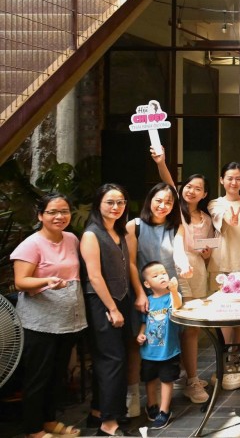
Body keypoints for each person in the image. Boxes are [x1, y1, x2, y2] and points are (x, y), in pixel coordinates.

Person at [11, 193, 87, 438]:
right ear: (40, 216)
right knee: (38, 377)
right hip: (39, 323)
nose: (59, 216)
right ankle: (33, 429)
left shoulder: (72, 238)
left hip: (67, 321)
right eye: (52, 212)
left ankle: (50, 421)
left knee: (57, 375)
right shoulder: (31, 244)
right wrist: (46, 281)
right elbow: (20, 282)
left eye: (64, 211)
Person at [150, 150, 213, 403]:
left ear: (205, 194)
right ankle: (189, 379)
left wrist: (207, 252)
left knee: (193, 328)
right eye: (188, 186)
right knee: (181, 326)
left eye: (198, 188)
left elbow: (208, 252)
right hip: (176, 272)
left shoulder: (206, 218)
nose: (191, 191)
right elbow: (167, 181)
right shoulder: (175, 209)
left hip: (198, 273)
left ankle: (189, 375)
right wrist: (161, 162)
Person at [125, 183, 185, 417]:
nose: (163, 206)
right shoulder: (135, 226)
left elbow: (179, 253)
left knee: (168, 339)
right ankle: (133, 395)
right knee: (139, 342)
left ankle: (166, 397)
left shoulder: (176, 226)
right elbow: (131, 262)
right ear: (149, 200)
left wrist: (184, 266)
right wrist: (140, 292)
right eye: (158, 200)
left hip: (169, 293)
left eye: (168, 202)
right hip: (143, 293)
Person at [79, 184, 132, 436]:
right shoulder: (92, 234)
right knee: (113, 360)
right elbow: (94, 276)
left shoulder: (119, 231)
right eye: (110, 202)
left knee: (114, 358)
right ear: (98, 204)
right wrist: (112, 308)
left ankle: (98, 411)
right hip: (102, 303)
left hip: (121, 300)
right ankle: (108, 425)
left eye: (120, 202)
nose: (116, 207)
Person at [207, 162, 240, 390]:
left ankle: (236, 357)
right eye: (229, 178)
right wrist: (230, 219)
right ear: (221, 180)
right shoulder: (215, 204)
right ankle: (226, 359)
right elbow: (221, 218)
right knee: (225, 314)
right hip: (222, 266)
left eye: (237, 178)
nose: (233, 182)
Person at [135, 262, 183, 430]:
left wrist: (174, 291)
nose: (162, 277)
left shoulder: (172, 296)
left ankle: (164, 411)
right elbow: (144, 322)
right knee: (149, 379)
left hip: (168, 351)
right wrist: (141, 334)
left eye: (163, 273)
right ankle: (151, 405)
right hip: (149, 351)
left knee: (167, 379)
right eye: (155, 276)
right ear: (147, 284)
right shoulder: (147, 301)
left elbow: (177, 307)